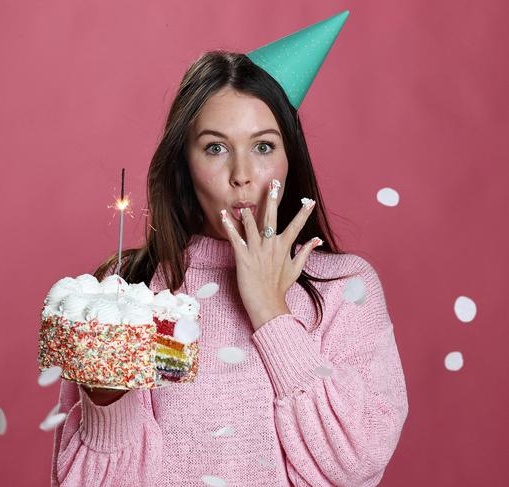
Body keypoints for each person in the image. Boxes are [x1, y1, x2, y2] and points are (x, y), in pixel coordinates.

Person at [50, 20, 408, 487]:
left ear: (289, 157)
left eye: (263, 146)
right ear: (184, 163)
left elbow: (357, 463)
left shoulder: (344, 287)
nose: (242, 174)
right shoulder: (127, 294)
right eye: (216, 147)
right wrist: (107, 400)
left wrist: (270, 312)